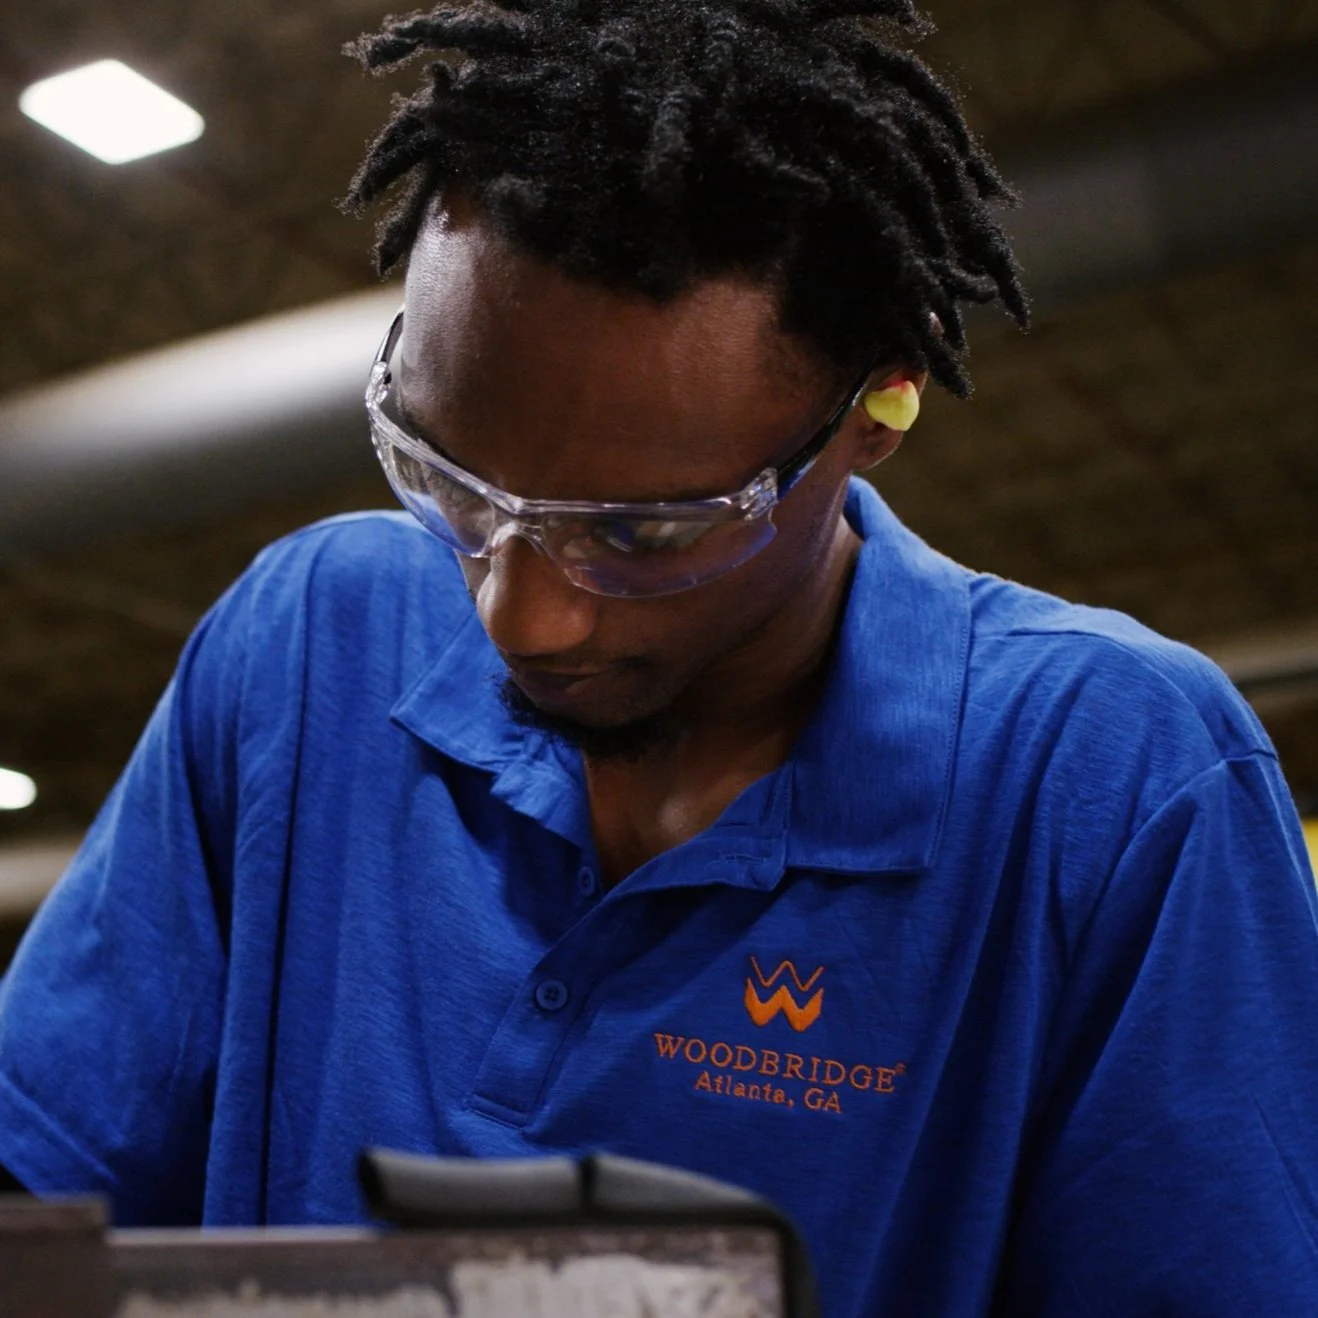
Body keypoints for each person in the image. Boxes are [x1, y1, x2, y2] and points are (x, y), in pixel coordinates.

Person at [2, 0, 1316, 1312]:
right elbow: (39, 1176)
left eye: (641, 529)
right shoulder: (310, 640)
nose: (520, 616)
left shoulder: (1113, 782)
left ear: (876, 410)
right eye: (445, 477)